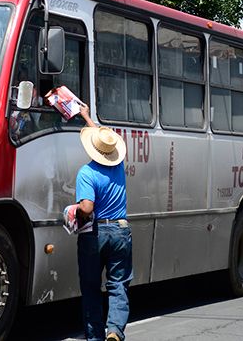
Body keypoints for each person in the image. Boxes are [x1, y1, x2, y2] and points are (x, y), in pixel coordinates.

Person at [75, 103, 132, 341]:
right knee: (118, 285)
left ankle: (95, 337)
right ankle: (114, 331)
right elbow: (106, 142)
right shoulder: (118, 166)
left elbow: (87, 207)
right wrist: (87, 118)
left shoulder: (86, 173)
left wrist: (74, 210)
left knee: (91, 288)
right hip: (120, 231)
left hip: (95, 233)